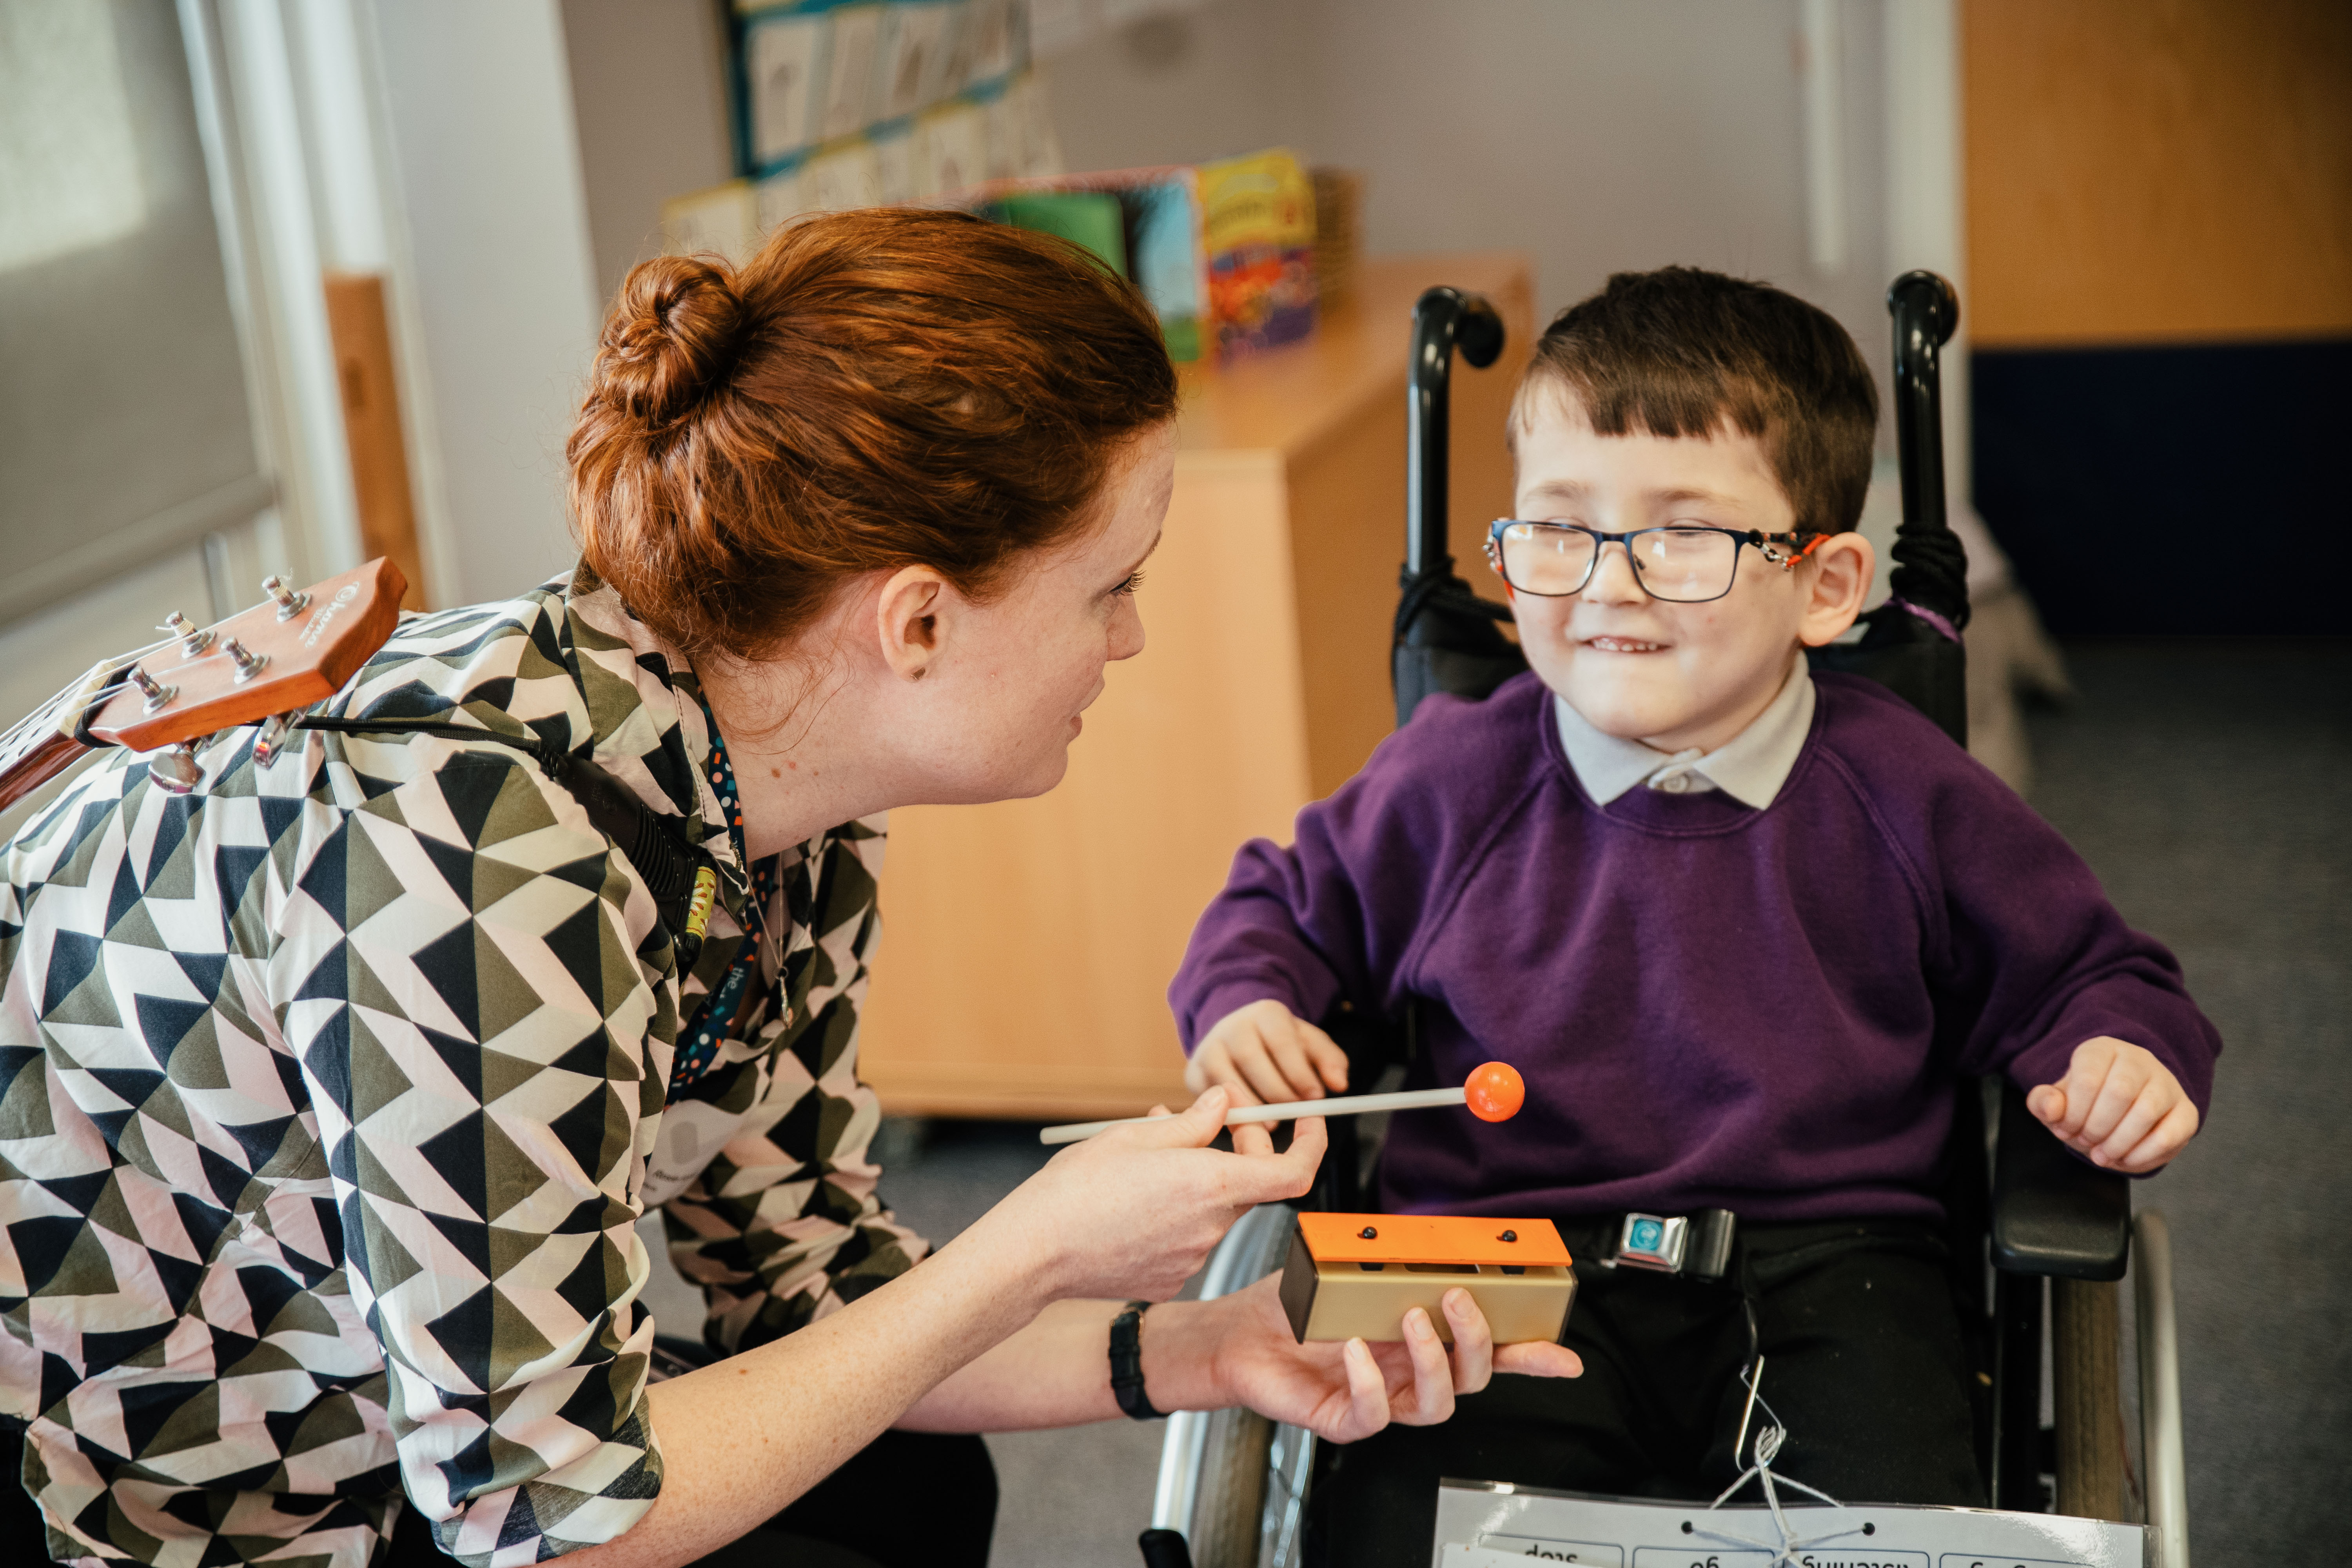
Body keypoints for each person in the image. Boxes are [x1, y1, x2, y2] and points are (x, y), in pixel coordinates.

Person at [0, 210, 1577, 1568]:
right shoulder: (486, 856)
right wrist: (1030, 1245)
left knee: (901, 1481)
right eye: (1113, 584)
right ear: (915, 625)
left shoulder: (770, 775)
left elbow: (804, 1287)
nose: (1132, 637)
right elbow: (552, 1520)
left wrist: (1199, 1351)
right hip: (139, 1487)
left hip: (401, 1413)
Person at [1168, 267, 2221, 1557]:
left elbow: (2092, 977)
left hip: (1836, 1267)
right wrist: (1249, 1002)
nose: (1611, 583)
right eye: (1559, 528)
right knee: (1415, 1531)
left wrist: (2120, 1056)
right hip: (1491, 1273)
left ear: (1826, 585)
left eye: (1682, 535)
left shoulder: (1906, 794)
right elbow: (1278, 901)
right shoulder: (1457, 777)